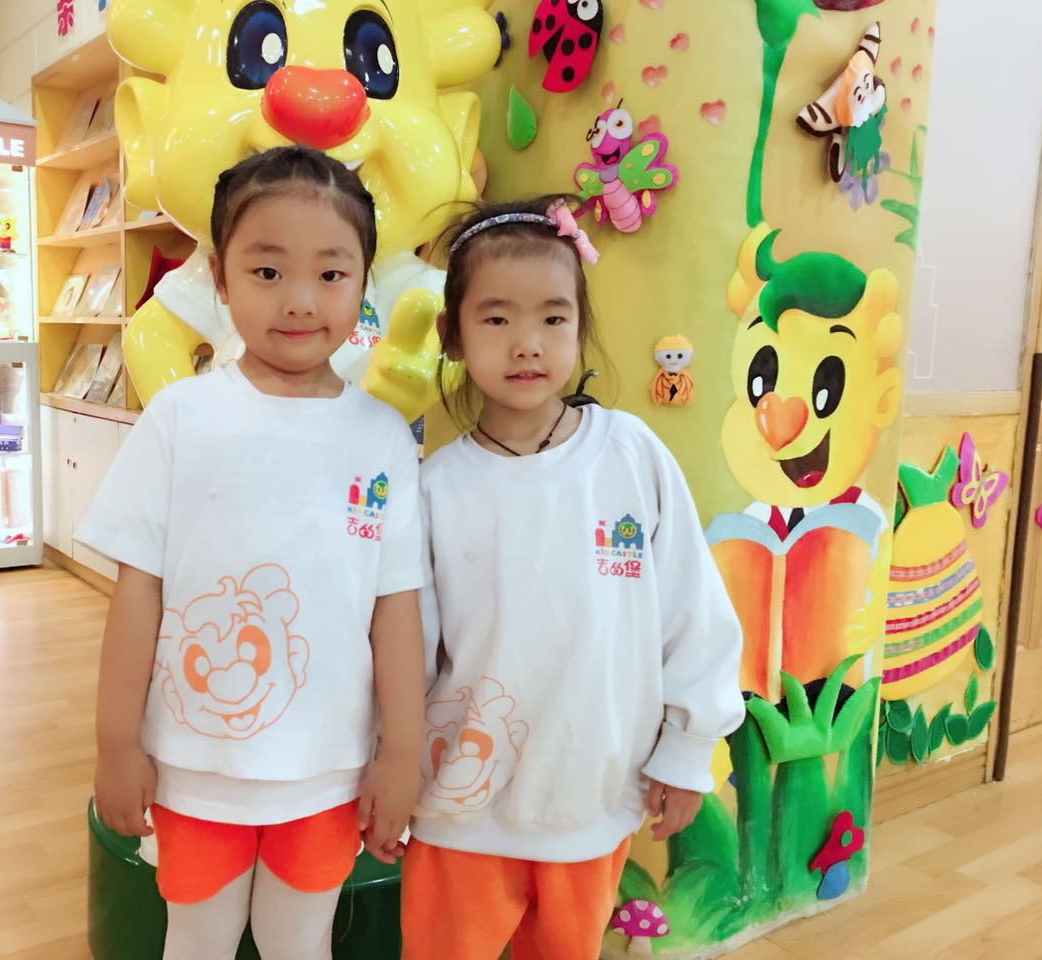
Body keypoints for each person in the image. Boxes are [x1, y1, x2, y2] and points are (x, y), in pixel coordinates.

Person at [77, 146, 426, 960]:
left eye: (331, 274)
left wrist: (401, 756)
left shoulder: (382, 438)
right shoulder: (180, 418)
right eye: (268, 272)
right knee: (196, 941)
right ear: (221, 279)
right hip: (195, 766)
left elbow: (396, 607)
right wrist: (116, 744)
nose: (300, 300)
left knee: (299, 943)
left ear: (364, 285)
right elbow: (137, 594)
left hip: (330, 769)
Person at [400, 198, 745, 959]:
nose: (528, 343)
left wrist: (688, 750)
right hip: (459, 811)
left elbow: (693, 612)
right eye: (496, 318)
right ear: (453, 335)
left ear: (579, 326)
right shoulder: (434, 488)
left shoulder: (630, 455)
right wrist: (388, 768)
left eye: (553, 318)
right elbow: (406, 654)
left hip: (590, 801)